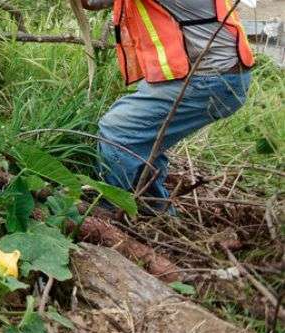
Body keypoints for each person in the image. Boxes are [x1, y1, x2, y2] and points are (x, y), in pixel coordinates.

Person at [83, 0, 255, 214]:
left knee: (118, 130)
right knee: (145, 136)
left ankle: (107, 207)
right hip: (208, 76)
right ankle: (154, 207)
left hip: (208, 79)